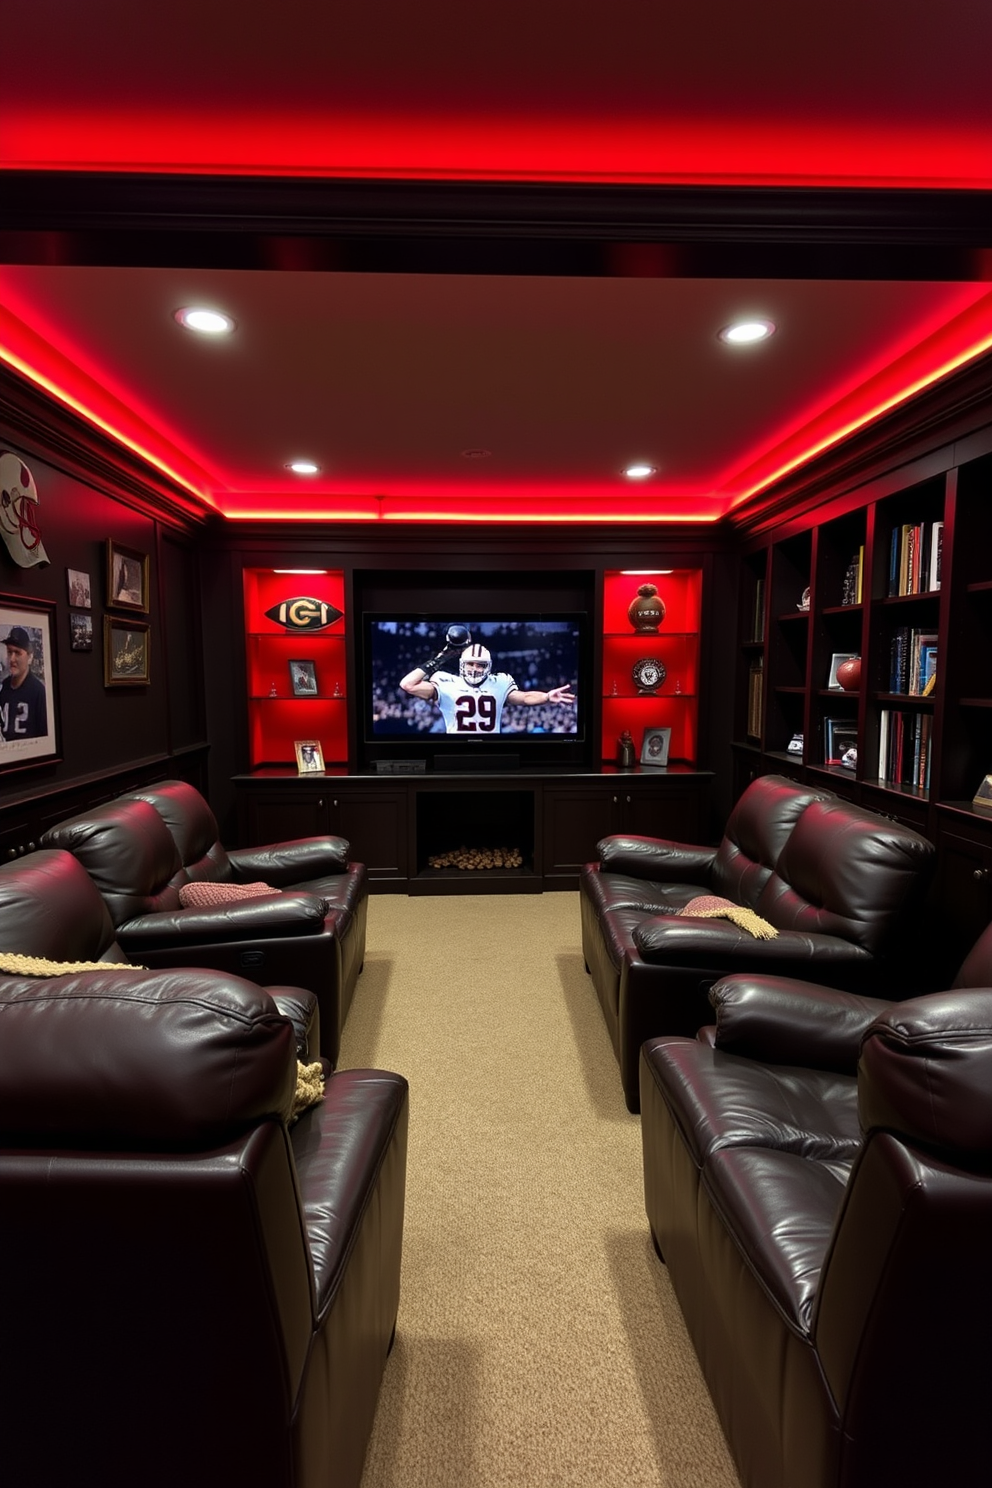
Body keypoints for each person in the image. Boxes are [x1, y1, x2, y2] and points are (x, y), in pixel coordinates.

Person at [399, 624, 576, 734]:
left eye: (480, 665)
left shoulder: (499, 682)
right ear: (462, 664)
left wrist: (546, 697)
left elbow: (524, 697)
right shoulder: (446, 681)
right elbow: (408, 685)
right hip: (454, 750)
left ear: (488, 666)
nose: (475, 669)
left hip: (491, 750)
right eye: (471, 664)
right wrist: (440, 658)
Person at [0, 625, 48, 740]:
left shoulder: (39, 692)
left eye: (17, 653)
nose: (12, 659)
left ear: (30, 657)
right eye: (9, 652)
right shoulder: (4, 687)